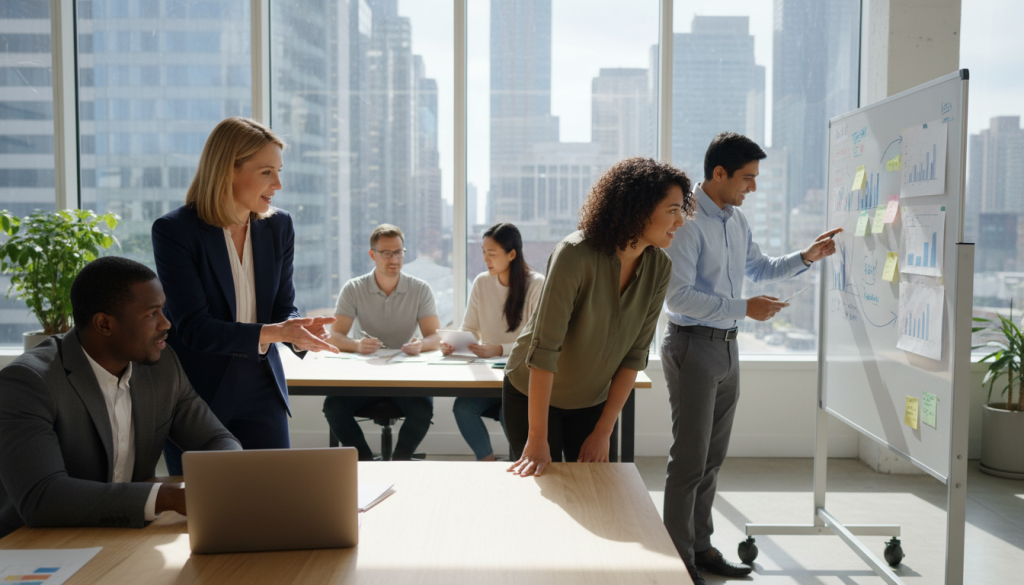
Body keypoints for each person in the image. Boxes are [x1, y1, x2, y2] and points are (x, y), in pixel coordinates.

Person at [661, 132, 840, 584]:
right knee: (688, 462)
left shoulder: (735, 222)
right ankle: (677, 561)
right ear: (718, 174)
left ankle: (701, 548)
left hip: (726, 347)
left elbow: (758, 268)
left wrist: (807, 255)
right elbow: (678, 298)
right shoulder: (685, 221)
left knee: (712, 459)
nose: (753, 188)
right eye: (747, 178)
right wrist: (745, 308)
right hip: (692, 345)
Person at [0, 257, 241, 538]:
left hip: (122, 535)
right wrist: (168, 497)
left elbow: (216, 439)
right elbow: (42, 496)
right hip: (33, 544)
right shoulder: (28, 383)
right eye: (152, 313)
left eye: (163, 310)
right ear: (104, 323)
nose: (166, 323)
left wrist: (225, 475)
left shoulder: (162, 367)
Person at [152, 117, 337, 475]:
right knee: (205, 510)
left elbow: (283, 307)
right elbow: (193, 327)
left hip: (262, 385)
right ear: (227, 170)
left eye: (279, 171)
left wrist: (300, 331)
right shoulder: (175, 231)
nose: (278, 184)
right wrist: (278, 332)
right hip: (196, 391)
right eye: (267, 172)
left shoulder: (278, 226)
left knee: (272, 501)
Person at [504, 157, 694, 476]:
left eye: (681, 210)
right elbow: (545, 350)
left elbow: (634, 356)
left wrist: (603, 431)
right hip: (534, 399)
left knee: (595, 494)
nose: (681, 221)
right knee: (542, 493)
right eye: (672, 210)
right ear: (639, 209)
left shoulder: (660, 267)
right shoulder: (574, 254)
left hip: (592, 403)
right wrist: (537, 437)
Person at [323, 224, 441, 460]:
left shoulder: (420, 289)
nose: (393, 259)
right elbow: (333, 336)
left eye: (398, 252)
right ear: (372, 255)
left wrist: (420, 345)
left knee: (423, 409)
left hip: (404, 375)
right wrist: (357, 345)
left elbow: (435, 337)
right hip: (364, 375)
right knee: (334, 407)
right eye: (386, 253)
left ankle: (400, 460)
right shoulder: (354, 288)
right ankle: (365, 461)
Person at [441, 223, 544, 461]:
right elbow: (469, 328)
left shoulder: (536, 284)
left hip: (521, 376)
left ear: (512, 254)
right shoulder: (481, 282)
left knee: (508, 413)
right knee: (463, 408)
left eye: (492, 253)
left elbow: (538, 340)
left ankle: (522, 464)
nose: (486, 259)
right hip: (488, 375)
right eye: (483, 252)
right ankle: (487, 462)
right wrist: (455, 343)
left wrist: (498, 349)